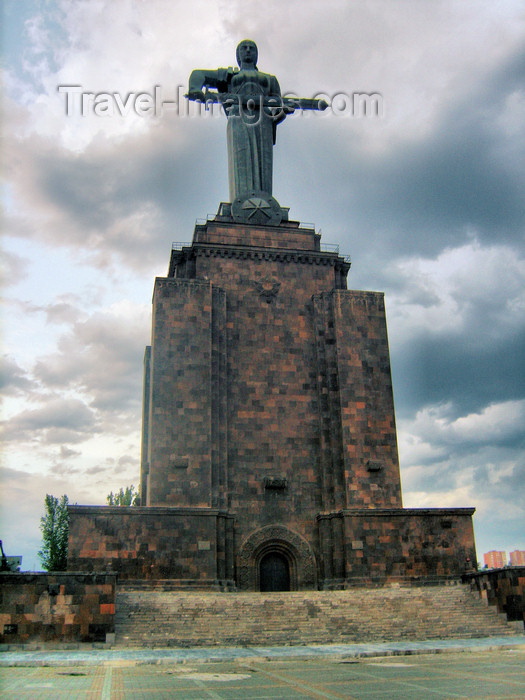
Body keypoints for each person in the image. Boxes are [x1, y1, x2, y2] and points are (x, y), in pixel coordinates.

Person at [187, 40, 286, 201]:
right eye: (243, 48)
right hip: (238, 118)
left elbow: (279, 108)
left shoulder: (270, 79)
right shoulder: (230, 76)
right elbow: (198, 74)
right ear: (238, 55)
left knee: (264, 167)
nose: (248, 51)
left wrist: (279, 114)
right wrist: (195, 90)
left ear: (257, 54)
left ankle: (264, 201)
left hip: (264, 122)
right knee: (242, 159)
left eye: (252, 48)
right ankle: (242, 201)